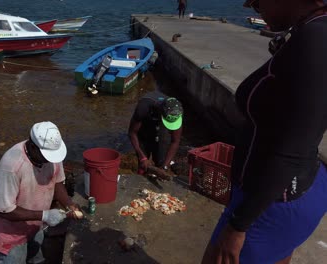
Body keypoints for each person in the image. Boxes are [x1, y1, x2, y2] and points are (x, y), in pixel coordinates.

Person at [201, 1, 327, 263]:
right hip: (287, 190)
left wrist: (239, 225)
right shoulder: (311, 30)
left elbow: (294, 148)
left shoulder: (315, 38)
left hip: (271, 201)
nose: (248, 4)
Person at [0, 121, 80, 264]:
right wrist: (45, 215)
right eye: (46, 156)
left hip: (35, 226)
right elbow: (4, 210)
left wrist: (69, 204)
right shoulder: (12, 165)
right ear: (32, 146)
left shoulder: (52, 156)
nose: (48, 160)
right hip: (11, 234)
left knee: (36, 259)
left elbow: (56, 182)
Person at [128, 91, 183, 175]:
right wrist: (142, 157)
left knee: (161, 160)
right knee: (143, 164)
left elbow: (175, 141)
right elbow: (132, 133)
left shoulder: (177, 113)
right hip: (145, 127)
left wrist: (165, 166)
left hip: (161, 128)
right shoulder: (143, 108)